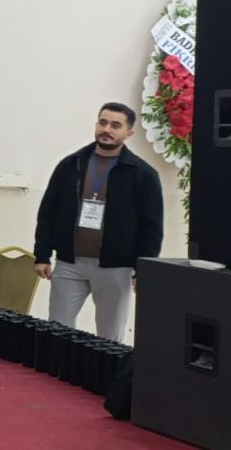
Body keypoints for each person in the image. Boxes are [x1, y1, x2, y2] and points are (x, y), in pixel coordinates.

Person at [32, 102, 163, 342]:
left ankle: (106, 369)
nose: (107, 130)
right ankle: (59, 366)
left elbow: (151, 228)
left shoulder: (143, 174)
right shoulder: (71, 165)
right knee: (57, 330)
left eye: (115, 125)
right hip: (69, 263)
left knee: (109, 337)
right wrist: (42, 254)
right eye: (103, 123)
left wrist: (144, 270)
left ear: (129, 133)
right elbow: (48, 211)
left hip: (116, 268)